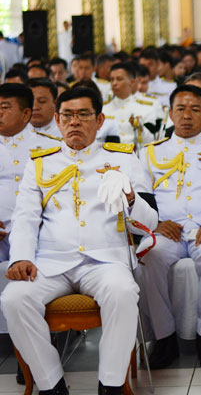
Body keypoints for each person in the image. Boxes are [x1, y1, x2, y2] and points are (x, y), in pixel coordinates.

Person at [1, 86, 158, 395]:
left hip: (105, 260)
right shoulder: (41, 162)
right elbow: (26, 217)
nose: (74, 122)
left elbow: (149, 223)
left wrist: (129, 197)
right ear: (57, 121)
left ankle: (111, 384)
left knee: (123, 292)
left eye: (83, 115)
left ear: (99, 120)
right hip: (51, 261)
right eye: (67, 116)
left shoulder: (124, 159)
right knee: (13, 299)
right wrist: (21, 257)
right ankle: (51, 384)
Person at [139, 85, 201, 370]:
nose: (186, 116)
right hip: (166, 230)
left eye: (195, 109)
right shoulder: (149, 153)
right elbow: (143, 197)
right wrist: (155, 223)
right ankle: (164, 336)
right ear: (169, 113)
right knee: (147, 255)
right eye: (180, 109)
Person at [0, 83, 62, 335]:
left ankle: (37, 336)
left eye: (4, 108)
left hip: (40, 231)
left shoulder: (53, 148)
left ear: (26, 114)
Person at [102, 62, 157, 145]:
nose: (114, 83)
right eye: (112, 79)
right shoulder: (103, 109)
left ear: (131, 82)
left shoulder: (146, 108)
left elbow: (151, 141)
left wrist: (139, 128)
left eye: (119, 79)